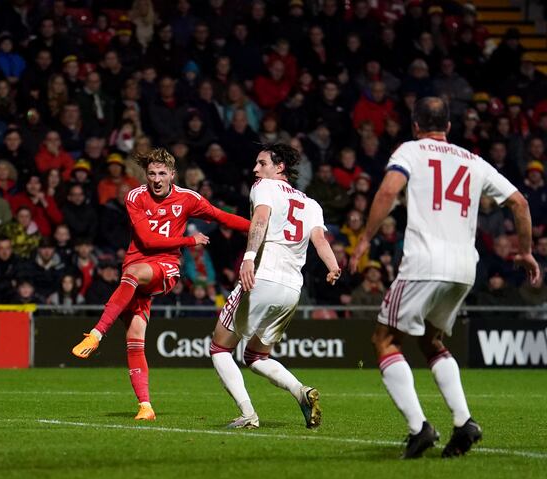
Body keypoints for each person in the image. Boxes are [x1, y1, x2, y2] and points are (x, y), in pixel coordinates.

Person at [350, 97, 541, 459]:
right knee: (431, 341)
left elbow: (389, 190)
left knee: (384, 339)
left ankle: (419, 428)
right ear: (449, 127)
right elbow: (520, 202)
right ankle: (464, 421)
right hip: (463, 267)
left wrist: (362, 243)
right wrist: (526, 251)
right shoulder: (474, 161)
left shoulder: (410, 150)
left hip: (425, 262)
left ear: (416, 126)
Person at [71, 147, 251, 421]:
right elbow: (148, 241)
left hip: (164, 268)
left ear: (172, 175)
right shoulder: (135, 197)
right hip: (137, 271)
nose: (156, 179)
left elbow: (220, 216)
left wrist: (257, 227)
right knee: (134, 340)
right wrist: (190, 240)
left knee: (132, 274)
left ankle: (96, 333)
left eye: (162, 173)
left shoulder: (187, 198)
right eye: (152, 173)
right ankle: (145, 406)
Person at [210, 143, 341, 430]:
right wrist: (333, 266)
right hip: (291, 289)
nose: (256, 170)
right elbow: (320, 240)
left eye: (262, 163)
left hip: (262, 278)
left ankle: (248, 414)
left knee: (220, 348)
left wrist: (247, 258)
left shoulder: (264, 188)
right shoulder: (311, 203)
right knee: (256, 355)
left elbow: (260, 220)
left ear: (279, 167)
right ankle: (301, 392)